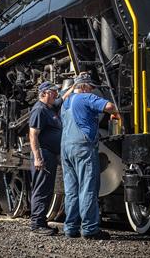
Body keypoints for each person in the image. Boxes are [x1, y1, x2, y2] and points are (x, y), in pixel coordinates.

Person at [61, 73, 120, 239]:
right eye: (91, 87)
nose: (93, 90)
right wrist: (116, 112)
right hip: (83, 147)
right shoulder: (85, 98)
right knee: (88, 188)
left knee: (71, 190)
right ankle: (89, 229)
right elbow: (109, 106)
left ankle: (70, 228)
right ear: (85, 86)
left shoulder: (66, 102)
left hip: (66, 148)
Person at [29, 81, 73, 235]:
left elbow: (63, 98)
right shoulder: (39, 110)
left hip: (50, 154)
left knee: (47, 189)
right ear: (45, 93)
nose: (56, 94)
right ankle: (36, 224)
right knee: (41, 189)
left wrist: (75, 85)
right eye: (53, 91)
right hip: (43, 154)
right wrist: (37, 157)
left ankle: (42, 222)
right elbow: (33, 134)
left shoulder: (50, 107)